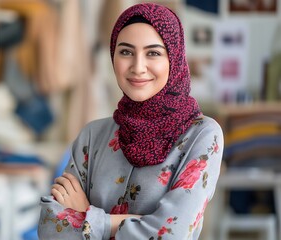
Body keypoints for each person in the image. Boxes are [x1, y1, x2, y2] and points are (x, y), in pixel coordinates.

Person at [38, 3, 224, 240]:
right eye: (126, 52)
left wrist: (87, 215)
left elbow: (171, 235)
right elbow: (49, 227)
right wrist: (140, 224)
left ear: (174, 59)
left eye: (153, 53)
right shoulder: (92, 136)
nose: (138, 67)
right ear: (113, 56)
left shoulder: (201, 135)